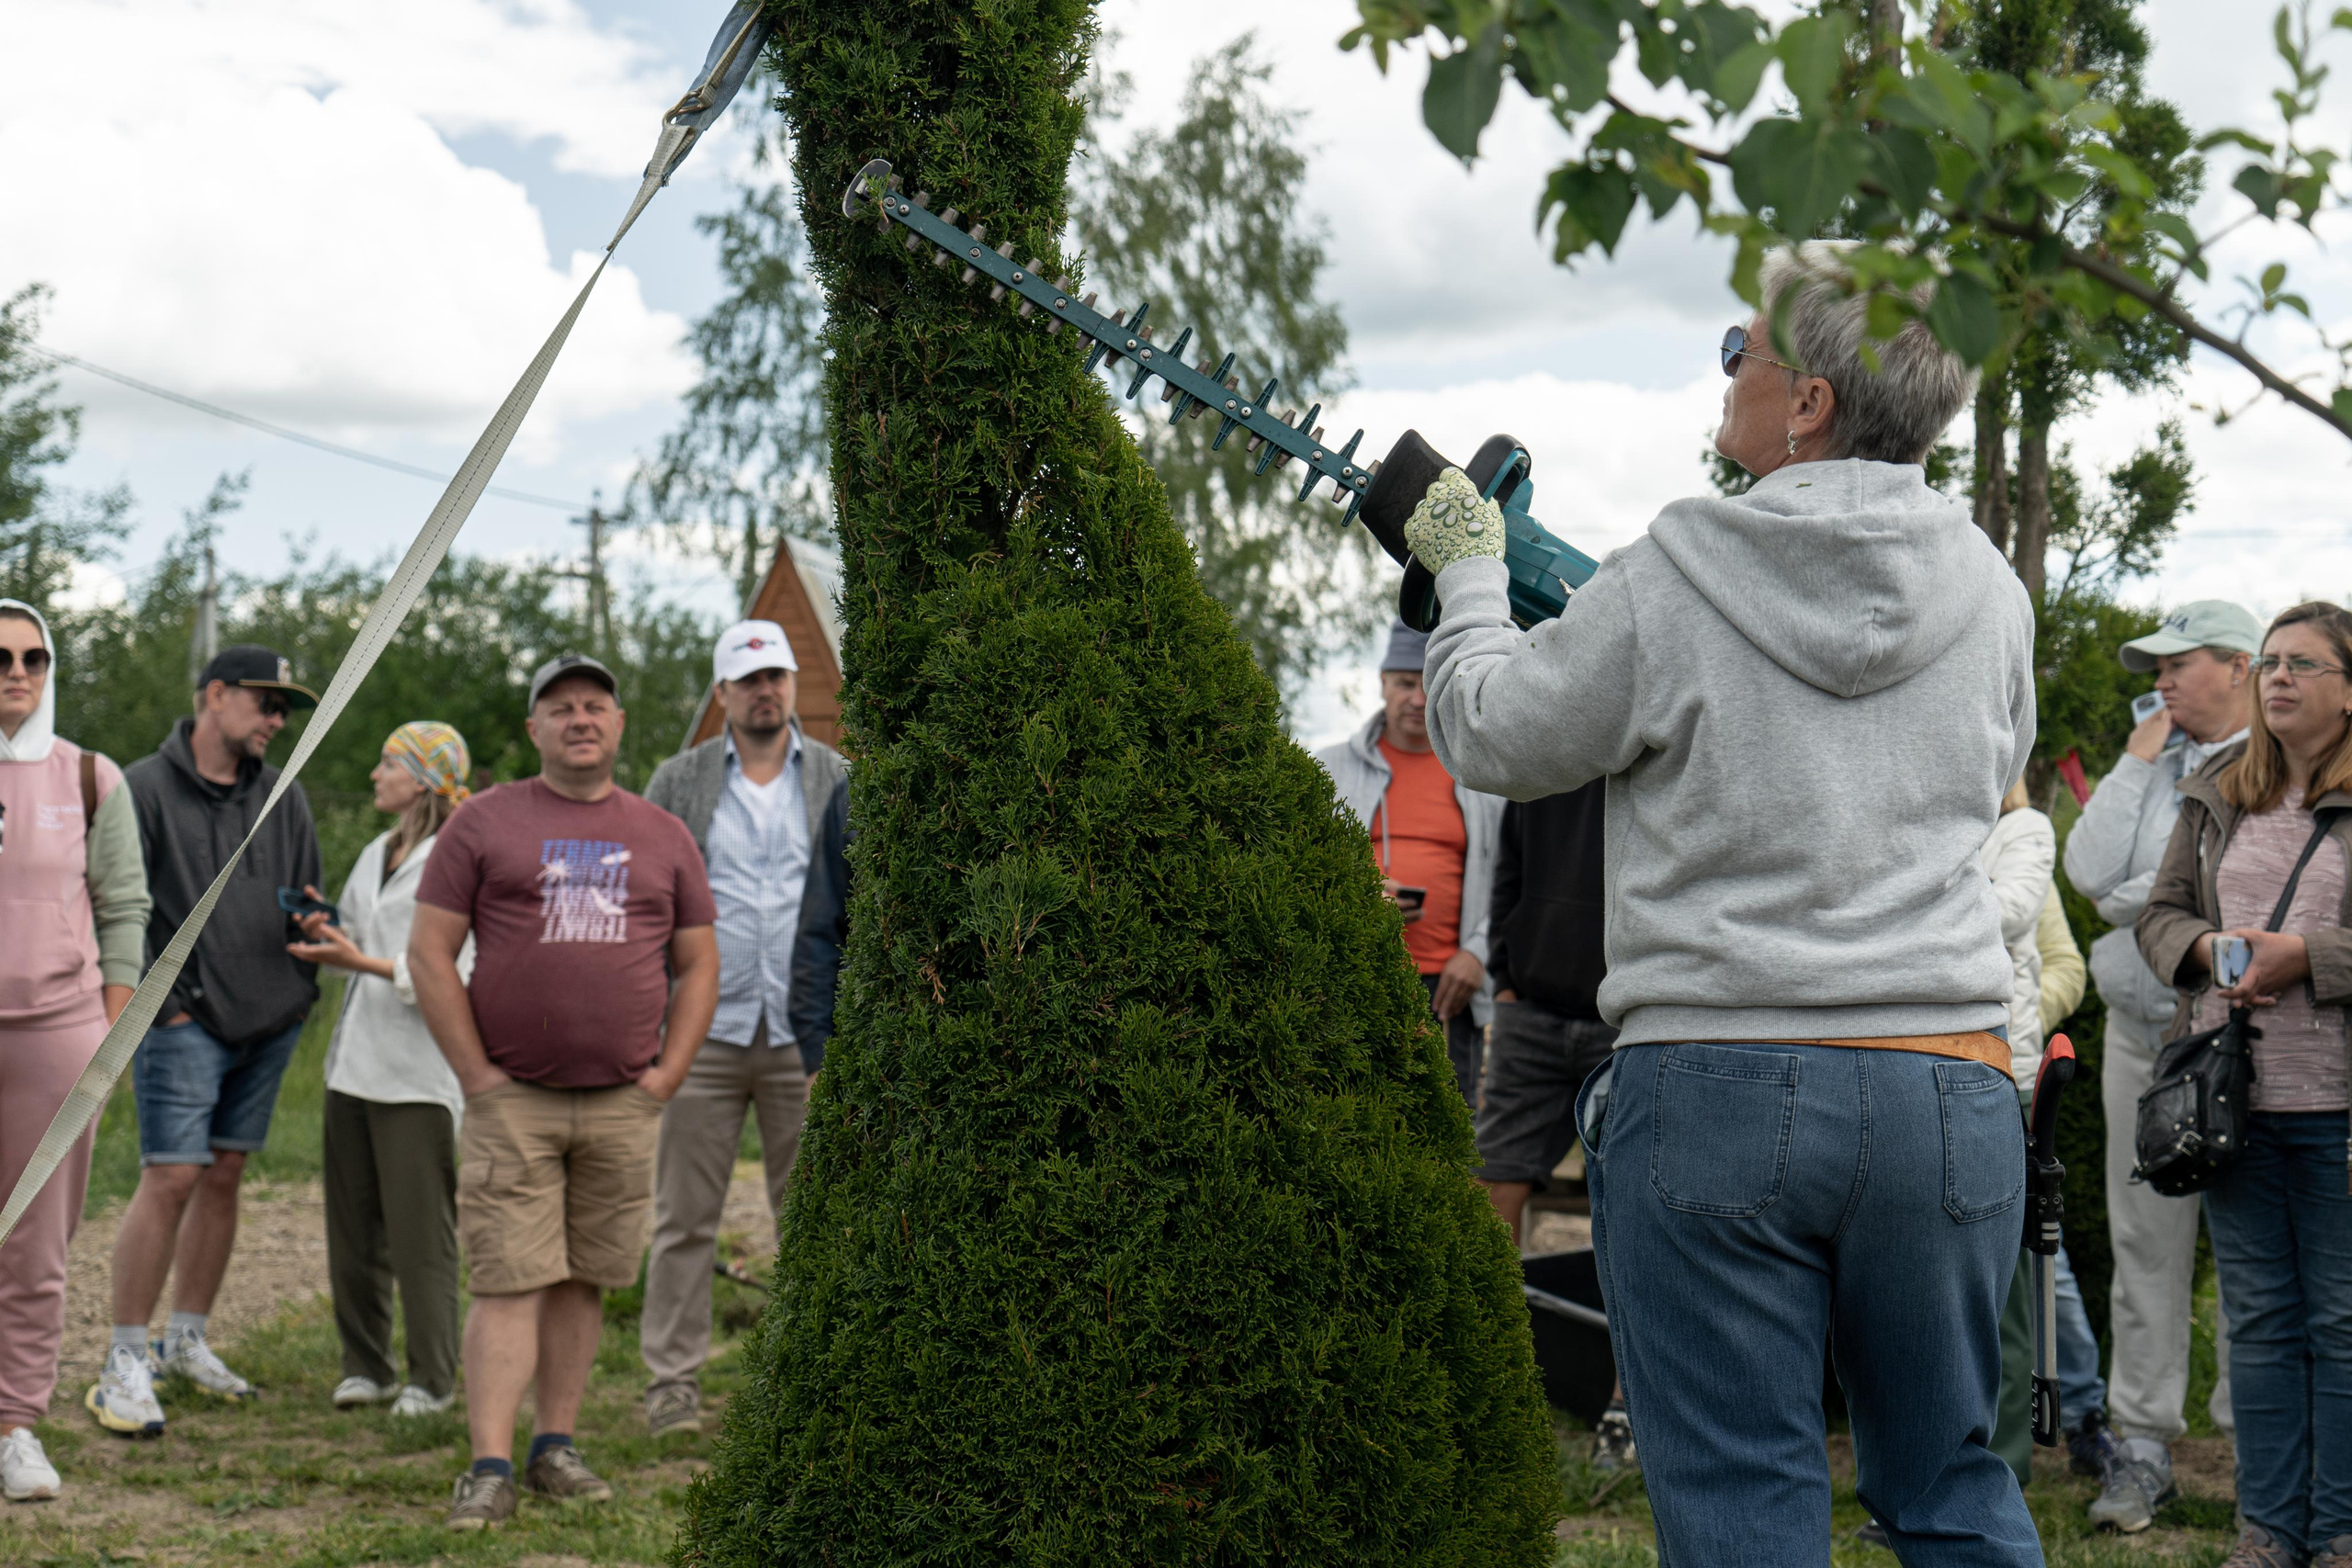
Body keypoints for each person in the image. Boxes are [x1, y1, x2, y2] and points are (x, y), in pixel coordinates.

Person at [1411, 241, 2041, 1560]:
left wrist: (1473, 568)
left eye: (1737, 353)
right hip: (1945, 1075)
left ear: (1807, 401)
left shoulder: (1676, 566)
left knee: (1746, 1503)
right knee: (1953, 1489)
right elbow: (1990, 779)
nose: (1726, 376)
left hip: (1717, 1079)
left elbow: (1491, 730)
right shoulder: (1993, 588)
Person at [409, 653, 720, 1530]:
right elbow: (430, 952)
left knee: (587, 1277)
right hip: (516, 1098)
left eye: (595, 705)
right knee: (510, 1278)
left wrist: (667, 1074)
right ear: (534, 729)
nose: (580, 718)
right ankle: (490, 1463)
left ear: (620, 724)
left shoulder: (664, 834)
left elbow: (699, 964)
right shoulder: (482, 824)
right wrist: (476, 1075)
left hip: (624, 1101)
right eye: (560, 708)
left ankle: (556, 1447)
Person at [2138, 601, 2352, 1568]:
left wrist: (2307, 955)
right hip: (2235, 1104)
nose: (2277, 679)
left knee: (2343, 1324)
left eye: (2303, 665)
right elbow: (2159, 916)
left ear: (2348, 692)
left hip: (2338, 1111)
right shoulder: (2218, 792)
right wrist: (2200, 951)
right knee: (2259, 1322)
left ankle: (2341, 1529)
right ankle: (2267, 1531)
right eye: (2269, 662)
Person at [2062, 598, 2259, 1529]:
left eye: (2180, 664)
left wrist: (2140, 898)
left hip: (2249, 1044)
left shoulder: (2277, 764)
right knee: (2141, 1242)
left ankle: (2255, 1449)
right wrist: (2134, 760)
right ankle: (2141, 1447)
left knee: (2255, 1255)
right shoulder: (2156, 760)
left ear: (2239, 667)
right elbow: (2089, 874)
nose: (2161, 680)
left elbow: (2196, 894)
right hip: (2145, 1038)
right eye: (2156, 667)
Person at [88, 645, 322, 1437]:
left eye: (285, 709)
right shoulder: (139, 788)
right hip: (182, 1021)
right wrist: (162, 1010)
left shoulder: (283, 796)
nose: (277, 721)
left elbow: (302, 891)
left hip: (268, 1019)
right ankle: (124, 1358)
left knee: (223, 1174)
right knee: (172, 1176)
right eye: (266, 703)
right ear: (215, 695)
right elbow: (115, 906)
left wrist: (309, 940)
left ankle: (186, 1338)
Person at [639, 621, 845, 1438]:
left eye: (778, 676)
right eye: (749, 678)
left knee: (813, 1214)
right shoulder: (679, 779)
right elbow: (645, 899)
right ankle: (671, 1387)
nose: (767, 690)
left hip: (807, 1037)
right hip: (704, 1030)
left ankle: (807, 1380)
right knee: (685, 1216)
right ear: (723, 693)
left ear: (795, 686)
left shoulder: (837, 777)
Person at [0, 602, 149, 1502]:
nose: (17, 671)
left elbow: (125, 907)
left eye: (34, 658)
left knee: (35, 1245)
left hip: (58, 1038)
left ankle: (16, 1423)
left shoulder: (91, 777)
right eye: (0, 657)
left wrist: (108, 1033)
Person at [284, 723, 475, 1421]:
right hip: (352, 1067)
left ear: (424, 778)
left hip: (417, 1073)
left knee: (422, 1231)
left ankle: (433, 1375)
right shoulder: (376, 850)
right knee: (354, 1226)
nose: (374, 773)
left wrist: (360, 961)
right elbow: (366, 940)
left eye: (388, 762)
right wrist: (329, 930)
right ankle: (365, 1365)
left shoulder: (458, 856)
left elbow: (456, 970)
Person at [1470, 782, 1632, 1468]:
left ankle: (1627, 1414)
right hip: (1530, 1010)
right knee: (1488, 1192)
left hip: (1626, 1015)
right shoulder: (1541, 750)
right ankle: (1481, 1388)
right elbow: (1507, 870)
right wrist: (1506, 977)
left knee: (1634, 1212)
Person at [1316, 621, 1501, 1105]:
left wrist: (1478, 954)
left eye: (1426, 682)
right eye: (1403, 682)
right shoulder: (1327, 768)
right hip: (1354, 976)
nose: (1416, 698)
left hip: (1449, 991)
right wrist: (1360, 897)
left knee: (1448, 1131)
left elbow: (1511, 881)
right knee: (1353, 1119)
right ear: (1381, 682)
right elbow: (1300, 867)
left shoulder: (1483, 776)